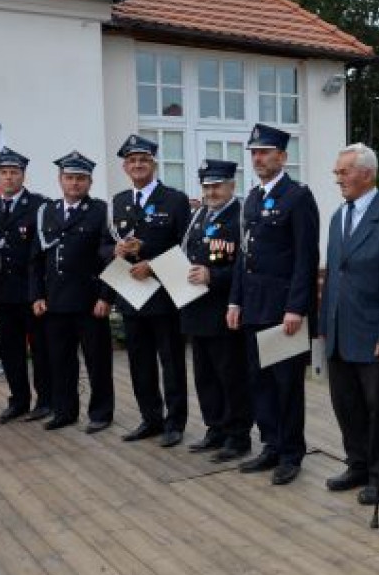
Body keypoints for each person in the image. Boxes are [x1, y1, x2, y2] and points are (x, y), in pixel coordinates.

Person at [320, 143, 379, 505]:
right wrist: (325, 325)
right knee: (346, 404)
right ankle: (357, 464)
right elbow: (332, 275)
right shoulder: (337, 217)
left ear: (368, 174)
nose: (337, 178)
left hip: (374, 334)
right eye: (337, 172)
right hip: (339, 331)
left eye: (344, 172)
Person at [228, 123, 319, 485]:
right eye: (254, 153)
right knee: (259, 382)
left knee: (286, 385)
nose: (258, 158)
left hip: (283, 310)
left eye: (265, 152)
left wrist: (296, 307)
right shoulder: (251, 198)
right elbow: (243, 256)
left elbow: (305, 258)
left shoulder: (297, 197)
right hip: (253, 306)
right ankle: (270, 445)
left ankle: (291, 453)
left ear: (282, 156)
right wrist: (234, 300)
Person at [102, 134, 192, 448]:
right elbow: (102, 247)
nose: (137, 165)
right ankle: (150, 419)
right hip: (130, 294)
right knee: (139, 362)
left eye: (143, 160)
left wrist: (152, 261)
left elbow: (186, 246)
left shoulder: (174, 200)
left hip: (164, 295)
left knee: (171, 362)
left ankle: (175, 422)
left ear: (153, 163)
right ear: (125, 167)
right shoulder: (117, 203)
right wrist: (113, 250)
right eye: (132, 161)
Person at [30, 151, 114, 433]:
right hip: (55, 300)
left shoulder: (101, 211)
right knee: (60, 360)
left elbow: (110, 258)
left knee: (97, 360)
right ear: (60, 180)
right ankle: (65, 411)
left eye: (81, 179)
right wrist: (37, 295)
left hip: (90, 299)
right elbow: (36, 259)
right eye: (69, 178)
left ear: (89, 182)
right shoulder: (47, 212)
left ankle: (101, 413)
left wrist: (105, 296)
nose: (74, 184)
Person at [181, 160, 254, 461]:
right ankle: (216, 428)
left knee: (231, 375)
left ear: (231, 186)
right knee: (205, 376)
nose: (211, 191)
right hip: (197, 309)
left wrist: (214, 276)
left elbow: (245, 265)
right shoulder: (198, 214)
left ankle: (238, 436)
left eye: (217, 185)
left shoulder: (241, 216)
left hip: (225, 310)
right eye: (207, 186)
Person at [0, 147, 52, 423]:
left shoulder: (40, 206)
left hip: (31, 292)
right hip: (1, 293)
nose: (9, 178)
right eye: (3, 173)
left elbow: (43, 252)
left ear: (23, 175)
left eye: (14, 173)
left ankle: (46, 400)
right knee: (10, 351)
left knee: (40, 349)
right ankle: (18, 400)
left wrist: (42, 291)